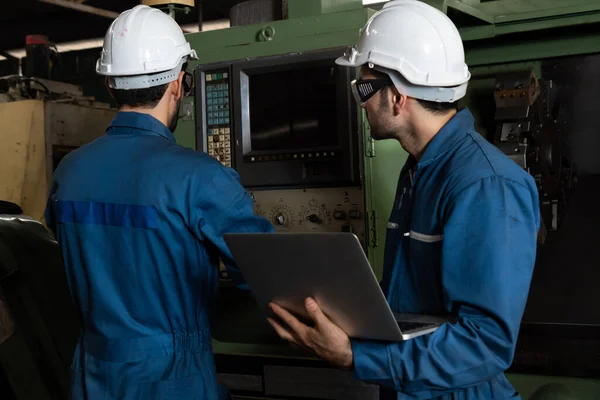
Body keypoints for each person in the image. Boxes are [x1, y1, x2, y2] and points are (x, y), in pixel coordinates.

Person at [267, 1, 540, 399]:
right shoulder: (420, 170)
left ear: (397, 98)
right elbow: (409, 297)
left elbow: (486, 344)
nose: (360, 102)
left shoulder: (484, 184)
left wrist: (354, 356)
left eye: (364, 88)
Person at [45, 5, 273, 399]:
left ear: (111, 86)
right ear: (178, 84)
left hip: (92, 375)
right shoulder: (199, 176)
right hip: (173, 378)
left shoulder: (69, 171)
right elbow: (271, 274)